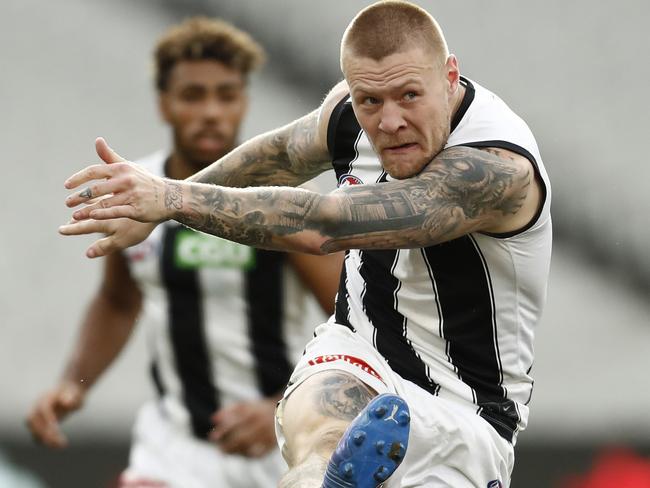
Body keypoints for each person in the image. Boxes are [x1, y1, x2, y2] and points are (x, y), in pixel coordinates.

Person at [59, 1, 552, 487]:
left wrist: (171, 196)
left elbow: (328, 227)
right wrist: (159, 208)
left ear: (449, 76)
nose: (390, 121)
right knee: (320, 436)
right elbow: (281, 156)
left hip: (466, 413)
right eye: (370, 101)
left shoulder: (495, 170)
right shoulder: (351, 115)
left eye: (409, 95)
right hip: (360, 352)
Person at [27, 17, 342, 488]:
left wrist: (281, 404)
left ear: (244, 101)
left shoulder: (279, 198)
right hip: (175, 448)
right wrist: (74, 382)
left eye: (226, 94)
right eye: (194, 95)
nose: (212, 111)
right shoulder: (136, 194)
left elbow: (345, 317)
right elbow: (118, 301)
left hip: (279, 444)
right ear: (164, 103)